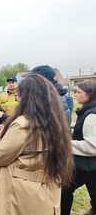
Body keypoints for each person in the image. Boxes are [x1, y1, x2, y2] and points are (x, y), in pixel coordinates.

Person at [0, 74, 73, 215]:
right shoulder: (55, 121)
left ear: (27, 97)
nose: (18, 98)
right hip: (46, 193)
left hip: (21, 197)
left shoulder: (22, 125)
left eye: (20, 94)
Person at [61, 80, 96, 215]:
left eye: (79, 92)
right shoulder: (88, 110)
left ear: (90, 94)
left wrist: (65, 143)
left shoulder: (91, 115)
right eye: (75, 91)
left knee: (64, 190)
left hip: (89, 166)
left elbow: (92, 146)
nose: (75, 95)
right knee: (64, 190)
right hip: (85, 166)